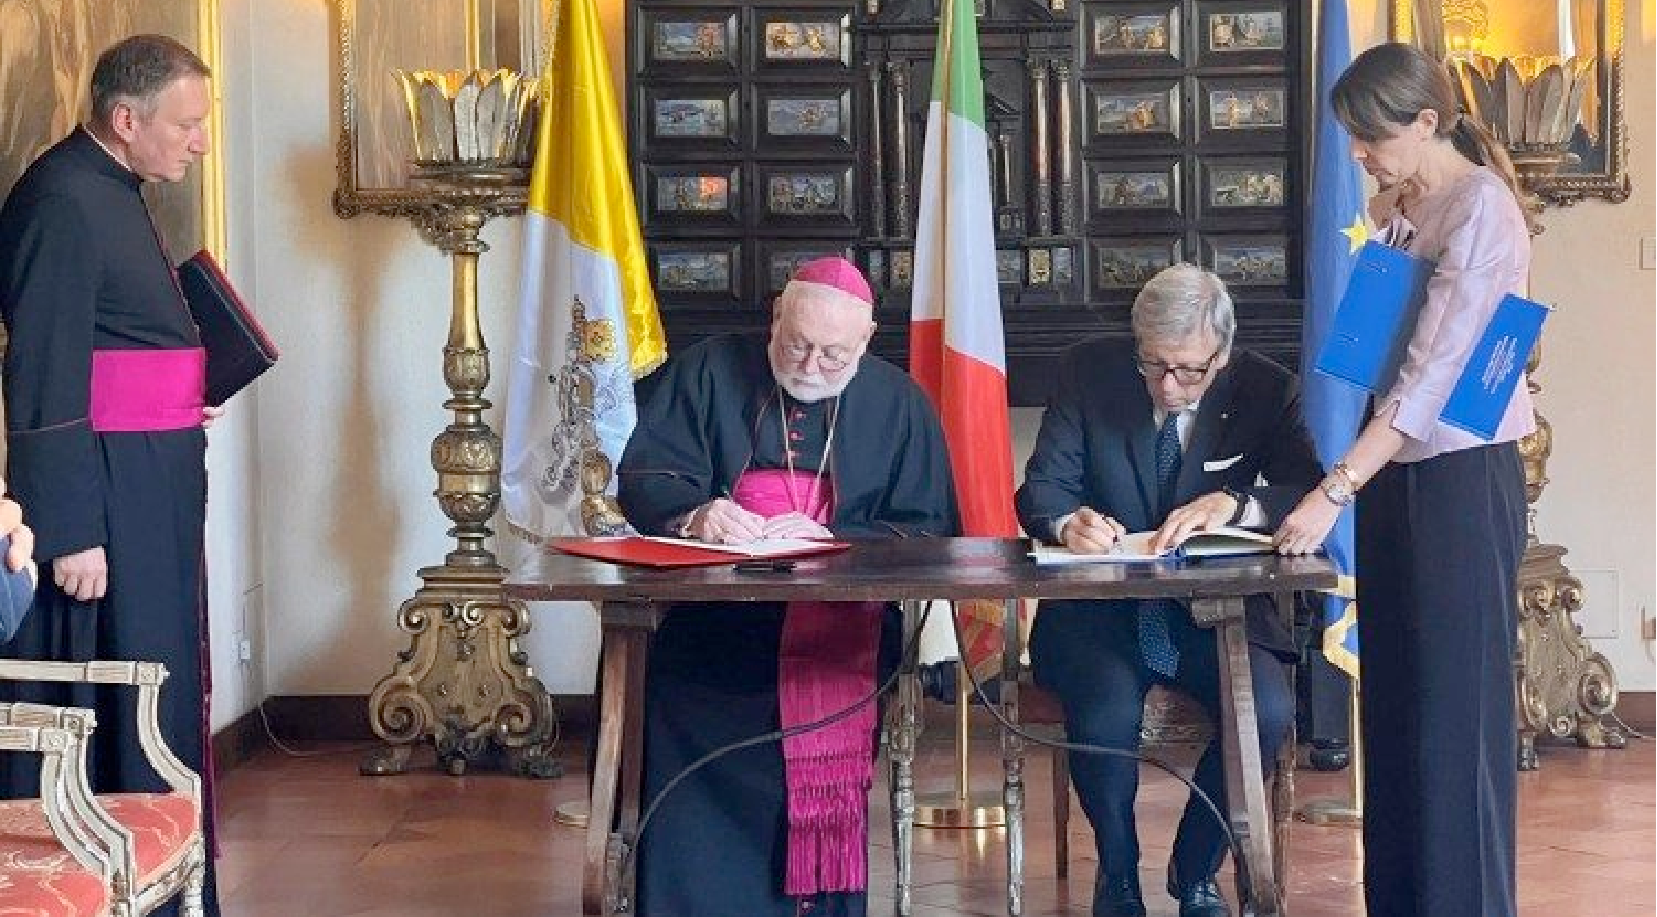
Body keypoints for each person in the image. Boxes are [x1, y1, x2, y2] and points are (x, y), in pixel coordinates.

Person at [1274, 42, 1535, 917]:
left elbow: (1428, 381)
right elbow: (1368, 357)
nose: (1357, 153)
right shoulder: (1404, 210)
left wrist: (1331, 490)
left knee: (1453, 723)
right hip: (1395, 478)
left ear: (1426, 121)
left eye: (1370, 136)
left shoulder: (1481, 208)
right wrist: (1388, 225)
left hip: (1460, 483)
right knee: (1396, 712)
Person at [617, 256, 958, 917]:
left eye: (834, 355)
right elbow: (648, 476)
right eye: (797, 344)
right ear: (776, 316)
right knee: (671, 692)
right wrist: (697, 514)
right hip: (714, 616)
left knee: (830, 692)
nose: (810, 366)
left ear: (865, 341)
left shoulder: (899, 404)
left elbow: (928, 528)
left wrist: (834, 537)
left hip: (842, 622)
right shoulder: (707, 370)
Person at [1015, 264, 1321, 917]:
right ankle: (1118, 874)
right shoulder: (1087, 371)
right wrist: (1066, 523)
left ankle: (1195, 868)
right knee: (1103, 714)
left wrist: (1235, 505)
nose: (1168, 386)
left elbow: (1303, 490)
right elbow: (1041, 488)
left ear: (1222, 353)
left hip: (1216, 615)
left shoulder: (1266, 387)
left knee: (1266, 712)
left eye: (1188, 370)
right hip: (1101, 613)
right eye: (1152, 365)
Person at [0, 34, 220, 916]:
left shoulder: (111, 186)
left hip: (142, 477)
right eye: (186, 124)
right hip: (101, 502)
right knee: (119, 691)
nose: (199, 141)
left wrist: (180, 396)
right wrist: (69, 530)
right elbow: (43, 369)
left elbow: (120, 344)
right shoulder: (61, 198)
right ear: (127, 120)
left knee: (158, 673)